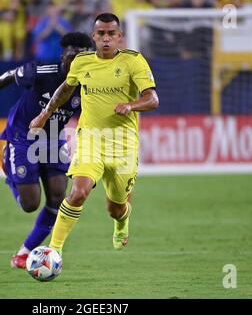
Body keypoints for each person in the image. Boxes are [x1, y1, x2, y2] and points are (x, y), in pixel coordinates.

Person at [29, 13, 159, 256]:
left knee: (116, 208)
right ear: (94, 37)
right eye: (101, 34)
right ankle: (53, 251)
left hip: (123, 145)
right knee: (78, 192)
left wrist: (131, 105)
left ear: (120, 37)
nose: (106, 38)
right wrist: (44, 115)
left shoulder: (134, 61)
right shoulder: (82, 62)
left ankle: (122, 221)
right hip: (90, 140)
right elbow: (65, 89)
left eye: (112, 33)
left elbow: (152, 99)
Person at [0, 32, 93, 269]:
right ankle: (9, 169)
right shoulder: (43, 70)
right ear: (63, 55)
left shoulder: (90, 83)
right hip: (23, 137)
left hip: (54, 140)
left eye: (81, 53)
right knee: (30, 204)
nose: (75, 56)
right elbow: (11, 75)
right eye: (71, 51)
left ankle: (24, 253)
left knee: (58, 197)